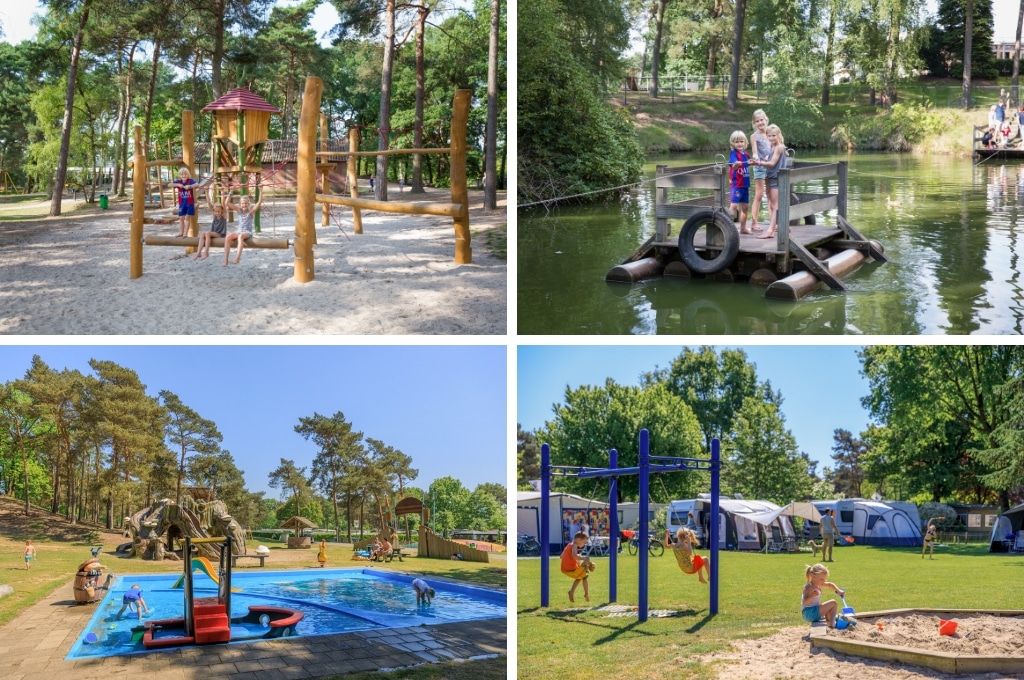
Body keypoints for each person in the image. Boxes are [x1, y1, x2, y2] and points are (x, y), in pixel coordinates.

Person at [751, 124, 787, 240]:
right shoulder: (773, 147)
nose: (771, 138)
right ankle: (780, 226)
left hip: (776, 179)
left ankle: (770, 231)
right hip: (771, 178)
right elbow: (772, 160)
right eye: (769, 136)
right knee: (772, 204)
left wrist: (758, 163)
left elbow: (772, 164)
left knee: (775, 205)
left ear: (778, 135)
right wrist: (764, 159)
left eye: (773, 136)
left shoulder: (778, 147)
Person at [222, 192, 263, 266]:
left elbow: (259, 202)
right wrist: (230, 192)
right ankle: (225, 260)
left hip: (247, 232)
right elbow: (227, 203)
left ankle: (237, 258)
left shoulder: (251, 212)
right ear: (240, 204)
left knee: (240, 236)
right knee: (228, 236)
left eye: (246, 203)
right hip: (239, 231)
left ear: (249, 204)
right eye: (242, 203)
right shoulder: (239, 210)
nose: (244, 205)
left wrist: (261, 190)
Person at [802, 563, 845, 628]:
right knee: (833, 603)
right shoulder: (809, 587)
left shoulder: (818, 584)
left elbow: (830, 584)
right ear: (813, 576)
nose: (824, 581)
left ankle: (829, 622)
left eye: (824, 579)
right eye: (822, 579)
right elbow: (805, 603)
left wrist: (838, 591)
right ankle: (833, 623)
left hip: (812, 612)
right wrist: (812, 596)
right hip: (809, 613)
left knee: (828, 608)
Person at [748, 109, 770, 233]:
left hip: (771, 167)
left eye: (762, 120)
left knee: (771, 196)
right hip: (760, 167)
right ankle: (754, 222)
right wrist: (755, 157)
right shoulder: (754, 136)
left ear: (766, 120)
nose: (760, 123)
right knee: (759, 194)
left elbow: (777, 146)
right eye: (757, 121)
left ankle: (773, 222)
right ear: (754, 123)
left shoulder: (771, 133)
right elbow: (755, 151)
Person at [728, 130, 751, 234]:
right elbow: (733, 164)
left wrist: (756, 161)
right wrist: (736, 165)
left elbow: (749, 163)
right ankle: (728, 229)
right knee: (733, 206)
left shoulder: (746, 154)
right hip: (736, 185)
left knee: (745, 207)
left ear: (745, 142)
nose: (740, 143)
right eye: (737, 142)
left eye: (741, 141)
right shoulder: (734, 153)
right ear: (733, 143)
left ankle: (743, 228)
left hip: (745, 185)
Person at [561, 531, 594, 603]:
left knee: (580, 576)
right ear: (578, 540)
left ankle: (571, 592)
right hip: (572, 569)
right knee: (585, 574)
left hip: (565, 569)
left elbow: (561, 556)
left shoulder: (569, 545)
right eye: (584, 542)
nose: (585, 544)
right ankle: (586, 594)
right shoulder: (574, 545)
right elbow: (575, 556)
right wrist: (584, 558)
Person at [194, 190, 227, 261]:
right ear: (214, 211)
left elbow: (223, 204)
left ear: (221, 211)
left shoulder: (223, 216)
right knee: (202, 234)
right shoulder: (214, 215)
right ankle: (199, 252)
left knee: (207, 233)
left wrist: (223, 195)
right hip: (213, 233)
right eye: (216, 211)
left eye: (219, 211)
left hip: (221, 234)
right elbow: (209, 203)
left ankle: (206, 252)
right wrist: (206, 191)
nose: (217, 213)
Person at [170, 168, 199, 238]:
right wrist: (177, 185)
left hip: (189, 203)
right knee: (181, 218)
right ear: (180, 175)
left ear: (188, 175)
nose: (184, 176)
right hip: (181, 204)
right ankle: (181, 232)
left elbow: (197, 185)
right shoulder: (179, 182)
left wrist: (190, 186)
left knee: (187, 218)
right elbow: (169, 184)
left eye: (185, 174)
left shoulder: (190, 181)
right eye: (182, 174)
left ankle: (185, 233)